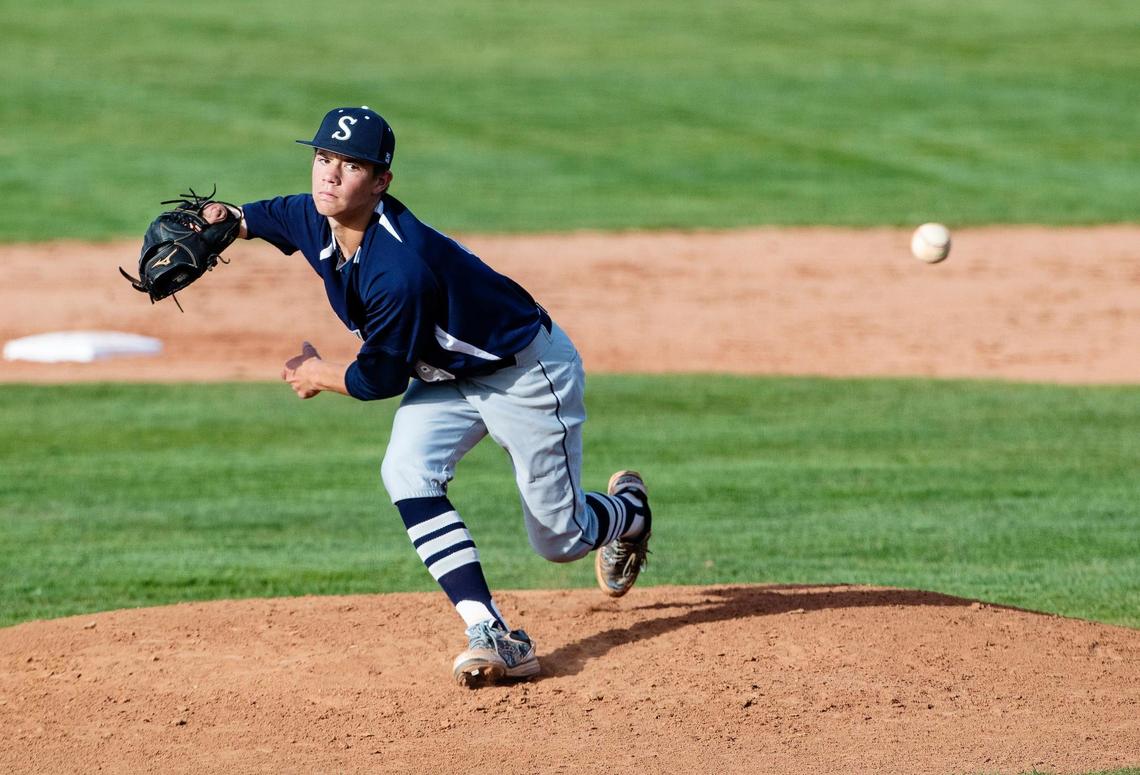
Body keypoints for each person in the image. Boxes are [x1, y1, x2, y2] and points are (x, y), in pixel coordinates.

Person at [202, 105, 653, 687]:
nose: (329, 176)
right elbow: (270, 216)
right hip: (448, 375)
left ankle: (629, 514)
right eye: (322, 157)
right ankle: (490, 630)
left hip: (523, 372)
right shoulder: (320, 216)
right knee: (407, 472)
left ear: (382, 181)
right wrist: (225, 217)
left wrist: (316, 373)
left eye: (350, 165)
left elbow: (379, 380)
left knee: (560, 540)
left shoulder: (400, 270)